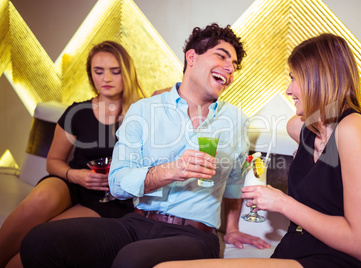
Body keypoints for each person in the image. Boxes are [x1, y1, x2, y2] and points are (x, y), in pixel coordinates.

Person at [19, 23, 270, 268]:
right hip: (136, 222)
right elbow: (117, 184)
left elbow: (235, 181)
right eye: (222, 56)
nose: (230, 69)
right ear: (192, 57)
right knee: (39, 241)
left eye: (234, 65)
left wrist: (233, 229)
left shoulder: (236, 120)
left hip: (195, 235)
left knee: (133, 259)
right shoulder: (144, 110)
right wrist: (172, 170)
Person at [155, 33, 361, 268]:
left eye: (295, 78)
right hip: (296, 250)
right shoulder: (306, 129)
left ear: (319, 78)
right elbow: (295, 124)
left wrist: (282, 202)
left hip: (334, 259)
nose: (289, 90)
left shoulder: (356, 129)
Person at [0, 40, 145, 268]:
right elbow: (53, 162)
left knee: (38, 244)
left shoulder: (142, 116)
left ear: (126, 73)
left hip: (108, 200)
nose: (106, 79)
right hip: (70, 183)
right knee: (39, 198)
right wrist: (75, 175)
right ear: (91, 75)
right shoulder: (77, 112)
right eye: (98, 72)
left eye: (114, 71)